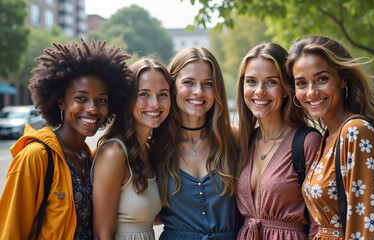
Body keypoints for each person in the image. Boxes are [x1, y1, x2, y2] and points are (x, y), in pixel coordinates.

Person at [0, 39, 132, 239]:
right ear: (61, 102)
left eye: (101, 100)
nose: (92, 108)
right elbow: (10, 232)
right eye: (81, 98)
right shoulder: (36, 157)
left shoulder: (89, 158)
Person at [286, 36, 374, 239]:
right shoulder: (328, 137)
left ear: (343, 78)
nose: (311, 92)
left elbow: (369, 227)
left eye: (321, 79)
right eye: (302, 83)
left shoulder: (356, 132)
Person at [152, 46, 241, 240]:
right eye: (189, 83)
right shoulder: (155, 147)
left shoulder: (235, 139)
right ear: (173, 87)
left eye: (207, 84)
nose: (198, 92)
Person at [235, 42, 321, 240]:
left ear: (285, 88)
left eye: (271, 82)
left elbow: (319, 222)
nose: (259, 91)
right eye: (251, 81)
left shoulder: (307, 142)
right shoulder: (243, 141)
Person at [91, 57, 173, 239]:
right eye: (144, 94)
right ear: (127, 99)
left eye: (163, 94)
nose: (155, 104)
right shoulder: (114, 153)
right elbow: (100, 235)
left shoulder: (148, 151)